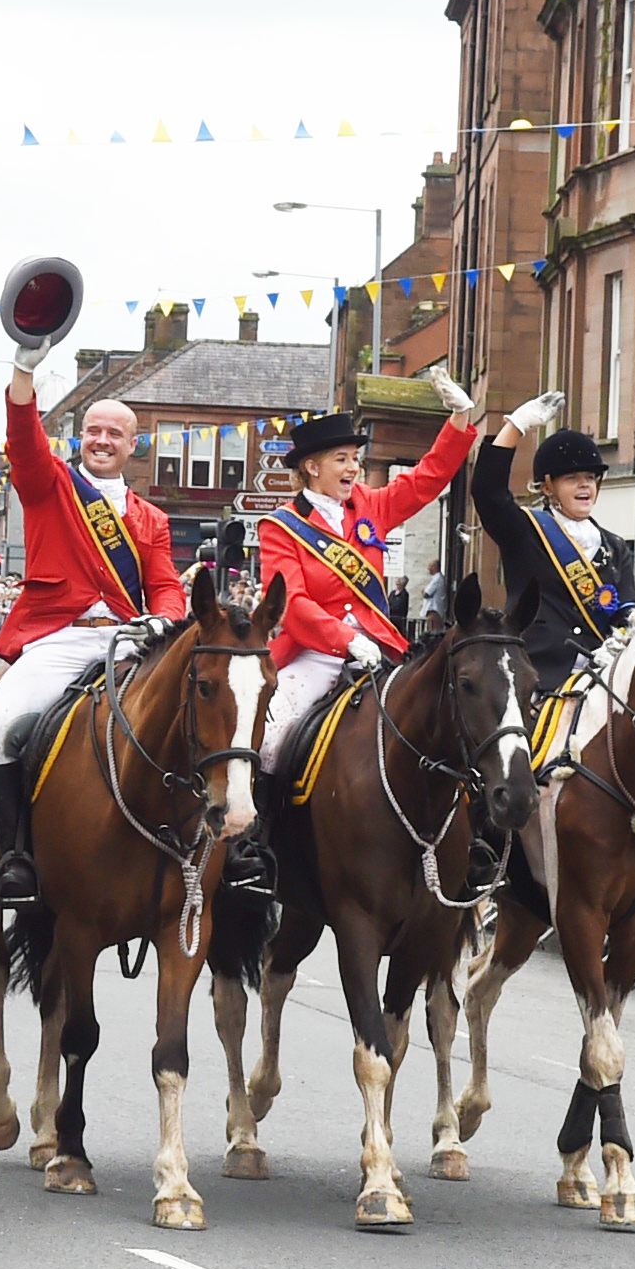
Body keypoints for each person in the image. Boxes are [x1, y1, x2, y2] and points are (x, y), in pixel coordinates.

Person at [240, 368, 481, 890]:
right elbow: (293, 605)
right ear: (311, 467)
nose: (354, 468)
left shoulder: (369, 506)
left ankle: (470, 844)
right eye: (342, 460)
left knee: (449, 719)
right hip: (314, 654)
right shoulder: (279, 526)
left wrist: (461, 420)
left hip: (380, 649)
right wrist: (345, 639)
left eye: (355, 459)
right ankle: (256, 848)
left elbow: (427, 479)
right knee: (273, 739)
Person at [0, 349, 184, 907]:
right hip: (60, 638)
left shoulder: (152, 519)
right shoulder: (49, 485)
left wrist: (162, 618)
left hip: (128, 639)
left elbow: (164, 585)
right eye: (94, 430)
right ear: (79, 437)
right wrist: (22, 371)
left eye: (115, 433)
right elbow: (22, 437)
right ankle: (16, 856)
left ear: (131, 444)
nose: (102, 440)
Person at [468, 389, 633, 693]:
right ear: (546, 486)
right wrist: (516, 425)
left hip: (600, 682)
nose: (585, 485)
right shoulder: (526, 530)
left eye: (590, 477)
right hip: (536, 677)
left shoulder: (615, 546)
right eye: (571, 478)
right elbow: (487, 492)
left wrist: (621, 641)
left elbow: (627, 612)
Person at [420, 558, 450, 634]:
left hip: (434, 611)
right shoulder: (436, 578)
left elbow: (426, 593)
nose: (428, 568)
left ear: (435, 567)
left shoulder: (437, 578)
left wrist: (424, 591)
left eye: (430, 566)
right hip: (433, 611)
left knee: (434, 632)